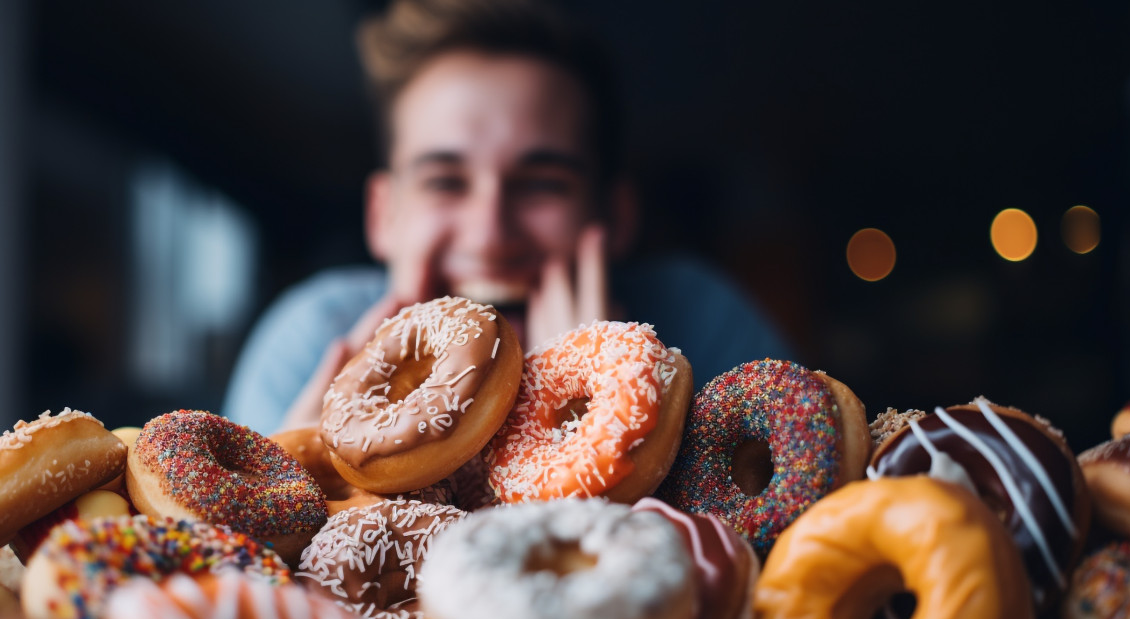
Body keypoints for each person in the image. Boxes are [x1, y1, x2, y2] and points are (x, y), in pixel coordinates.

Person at [224, 0, 791, 436]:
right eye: (445, 182)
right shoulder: (309, 341)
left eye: (542, 183)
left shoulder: (707, 330)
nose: (490, 235)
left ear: (615, 215)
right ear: (384, 217)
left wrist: (586, 419)